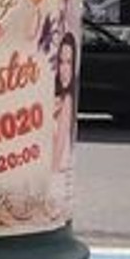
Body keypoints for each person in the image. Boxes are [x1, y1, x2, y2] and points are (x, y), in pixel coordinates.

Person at [52, 31, 77, 173]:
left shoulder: (67, 100)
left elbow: (60, 144)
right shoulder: (57, 97)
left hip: (56, 172)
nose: (64, 69)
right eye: (60, 62)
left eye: (69, 62)